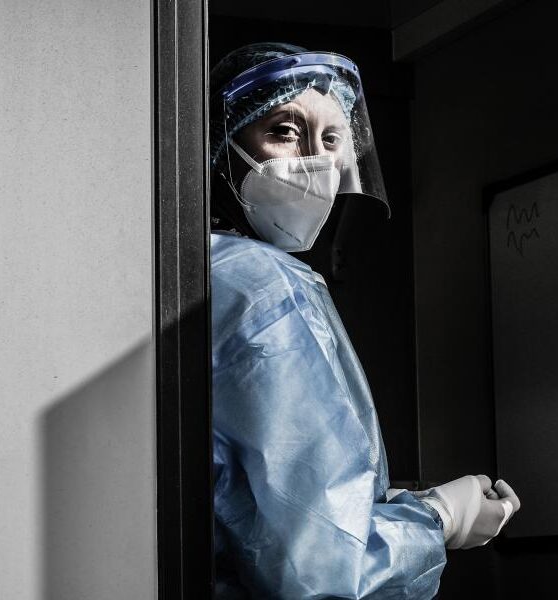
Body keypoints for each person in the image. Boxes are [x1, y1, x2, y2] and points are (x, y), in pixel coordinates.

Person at [209, 43, 522, 599]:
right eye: (285, 131)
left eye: (332, 139)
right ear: (219, 146)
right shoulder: (265, 287)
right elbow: (322, 569)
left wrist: (391, 508)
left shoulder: (201, 269)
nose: (315, 160)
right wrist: (438, 518)